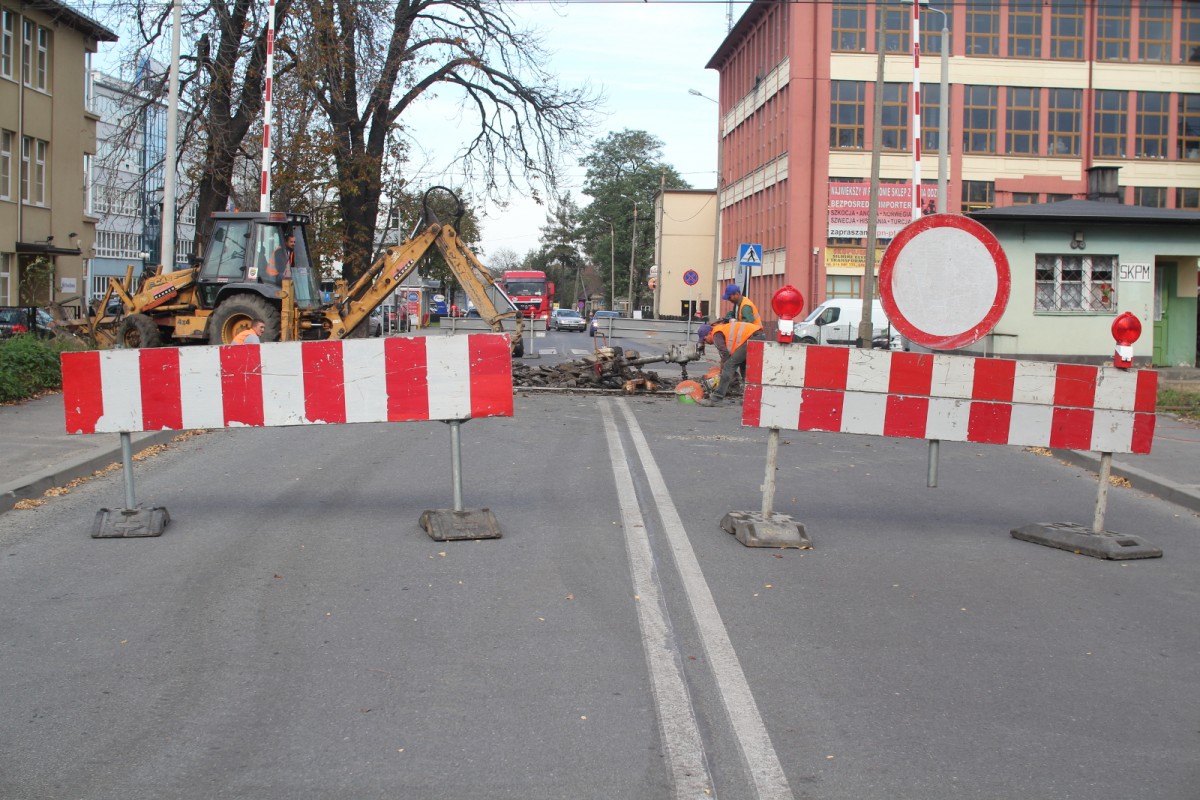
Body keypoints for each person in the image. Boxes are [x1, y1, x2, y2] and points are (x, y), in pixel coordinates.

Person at [696, 317, 764, 406]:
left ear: (709, 333)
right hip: (758, 336)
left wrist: (723, 370)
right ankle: (750, 398)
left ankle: (716, 398)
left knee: (729, 366)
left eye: (705, 339)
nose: (706, 342)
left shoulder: (716, 334)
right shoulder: (722, 329)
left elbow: (725, 354)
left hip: (753, 337)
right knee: (744, 369)